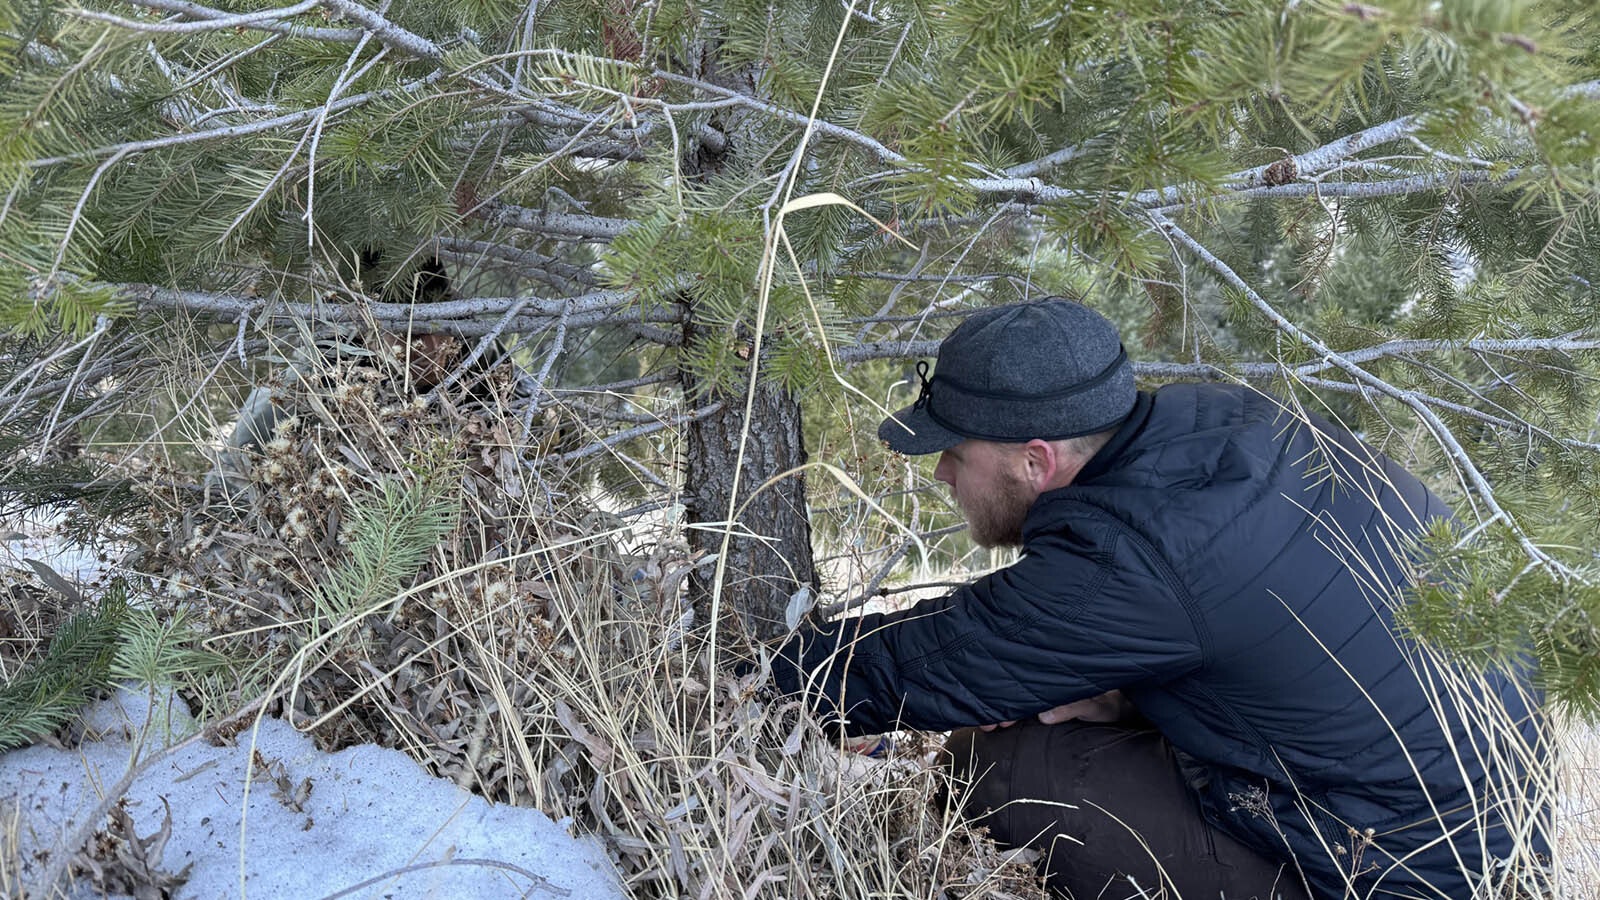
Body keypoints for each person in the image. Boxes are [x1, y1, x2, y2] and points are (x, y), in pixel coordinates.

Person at [765, 299, 1547, 899]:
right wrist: (1130, 698)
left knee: (999, 769)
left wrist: (759, 686)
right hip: (1488, 820)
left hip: (1392, 874)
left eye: (955, 454)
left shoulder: (1140, 553)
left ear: (1034, 461)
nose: (941, 475)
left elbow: (918, 666)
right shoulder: (1232, 428)